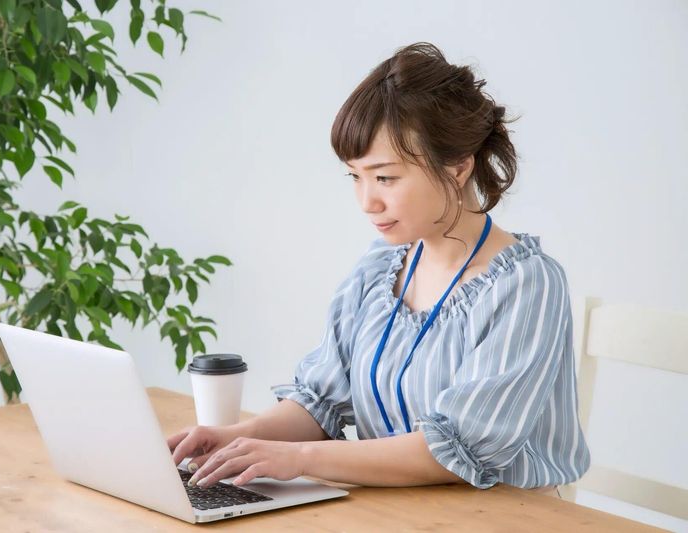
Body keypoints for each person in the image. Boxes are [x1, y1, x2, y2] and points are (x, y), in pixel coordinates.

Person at [168, 42, 590, 496]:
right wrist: (237, 439)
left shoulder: (526, 285)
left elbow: (461, 450)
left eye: (385, 177)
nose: (367, 201)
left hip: (504, 514)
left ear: (458, 168)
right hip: (392, 508)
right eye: (356, 176)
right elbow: (321, 401)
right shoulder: (380, 269)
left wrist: (299, 458)